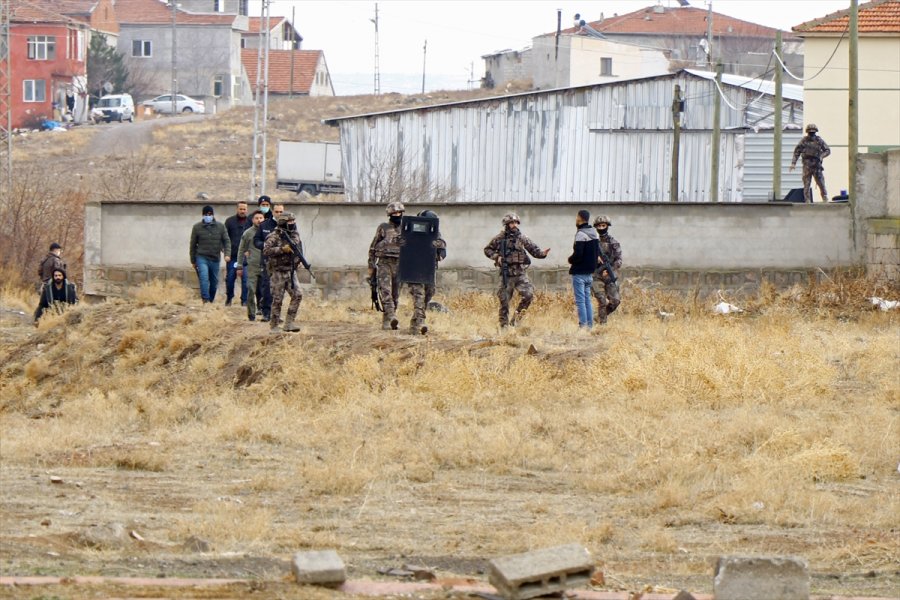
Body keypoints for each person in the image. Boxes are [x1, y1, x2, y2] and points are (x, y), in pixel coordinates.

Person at [483, 212, 550, 328]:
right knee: (504, 302)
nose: (514, 225)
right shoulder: (499, 238)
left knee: (528, 295)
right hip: (506, 274)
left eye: (516, 222)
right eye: (512, 223)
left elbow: (534, 250)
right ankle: (504, 328)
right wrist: (497, 257)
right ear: (506, 224)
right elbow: (487, 250)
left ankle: (515, 321)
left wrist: (542, 254)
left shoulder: (522, 238)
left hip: (520, 274)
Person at [404, 209, 447, 335]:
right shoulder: (411, 231)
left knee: (429, 293)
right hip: (414, 268)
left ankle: (414, 322)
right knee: (418, 295)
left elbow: (443, 247)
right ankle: (420, 322)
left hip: (428, 269)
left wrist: (439, 253)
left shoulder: (435, 233)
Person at [262, 212, 304, 332]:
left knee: (297, 295)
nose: (292, 223)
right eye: (290, 221)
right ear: (283, 222)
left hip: (290, 270)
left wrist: (299, 260)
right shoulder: (274, 236)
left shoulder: (294, 234)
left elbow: (298, 248)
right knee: (277, 299)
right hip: (278, 272)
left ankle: (289, 323)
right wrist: (282, 249)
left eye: (293, 221)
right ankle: (274, 325)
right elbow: (266, 251)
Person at [368, 201, 405, 330]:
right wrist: (371, 266)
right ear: (390, 214)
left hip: (400, 264)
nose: (397, 215)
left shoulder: (405, 229)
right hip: (384, 263)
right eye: (394, 213)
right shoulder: (383, 227)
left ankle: (387, 321)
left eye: (399, 213)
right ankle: (392, 316)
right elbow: (373, 247)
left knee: (395, 295)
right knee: (386, 292)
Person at [189, 205, 230, 303]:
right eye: (206, 214)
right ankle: (205, 299)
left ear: (213, 215)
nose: (208, 216)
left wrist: (227, 254)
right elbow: (192, 244)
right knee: (203, 277)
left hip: (215, 258)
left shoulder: (220, 226)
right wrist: (193, 260)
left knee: (214, 282)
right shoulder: (197, 227)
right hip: (201, 257)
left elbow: (226, 241)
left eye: (210, 214)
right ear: (202, 215)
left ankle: (211, 300)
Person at [567, 209, 599, 329]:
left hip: (579, 273)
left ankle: (583, 326)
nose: (576, 218)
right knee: (587, 301)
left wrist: (570, 260)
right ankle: (589, 326)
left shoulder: (581, 234)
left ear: (580, 218)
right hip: (589, 274)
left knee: (580, 302)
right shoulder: (594, 233)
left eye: (577, 216)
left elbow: (578, 254)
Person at [591, 215, 622, 325]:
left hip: (609, 276)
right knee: (602, 301)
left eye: (603, 225)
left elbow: (619, 260)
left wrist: (609, 270)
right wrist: (594, 258)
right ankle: (602, 325)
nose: (601, 228)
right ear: (596, 227)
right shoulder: (592, 243)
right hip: (596, 276)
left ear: (607, 226)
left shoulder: (614, 243)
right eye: (599, 226)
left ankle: (598, 317)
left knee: (615, 301)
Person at [790, 124, 831, 203]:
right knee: (806, 184)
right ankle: (807, 200)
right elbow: (797, 152)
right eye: (810, 133)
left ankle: (825, 197)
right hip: (807, 165)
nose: (811, 134)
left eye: (813, 133)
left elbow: (827, 150)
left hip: (816, 165)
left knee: (821, 183)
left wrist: (822, 156)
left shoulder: (819, 140)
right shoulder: (804, 141)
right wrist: (793, 163)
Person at [237, 210, 266, 321]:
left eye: (261, 218)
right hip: (252, 266)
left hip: (266, 265)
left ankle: (265, 312)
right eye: (256, 218)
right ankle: (251, 314)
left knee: (266, 291)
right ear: (253, 220)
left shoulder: (268, 232)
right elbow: (241, 250)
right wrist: (239, 266)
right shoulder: (248, 233)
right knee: (250, 289)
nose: (259, 220)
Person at [224, 201, 251, 307]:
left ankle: (244, 301)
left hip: (246, 257)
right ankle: (229, 298)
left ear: (247, 210)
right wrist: (226, 252)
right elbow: (224, 238)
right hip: (233, 256)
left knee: (245, 280)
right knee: (230, 279)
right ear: (237, 209)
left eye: (244, 209)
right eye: (241, 209)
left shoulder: (250, 222)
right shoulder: (229, 221)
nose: (242, 211)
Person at [253, 195, 276, 321]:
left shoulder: (283, 225)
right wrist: (264, 246)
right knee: (265, 285)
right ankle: (265, 312)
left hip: (280, 261)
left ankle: (275, 313)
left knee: (278, 287)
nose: (265, 207)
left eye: (267, 205)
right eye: (263, 205)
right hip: (265, 259)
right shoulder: (263, 224)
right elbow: (256, 240)